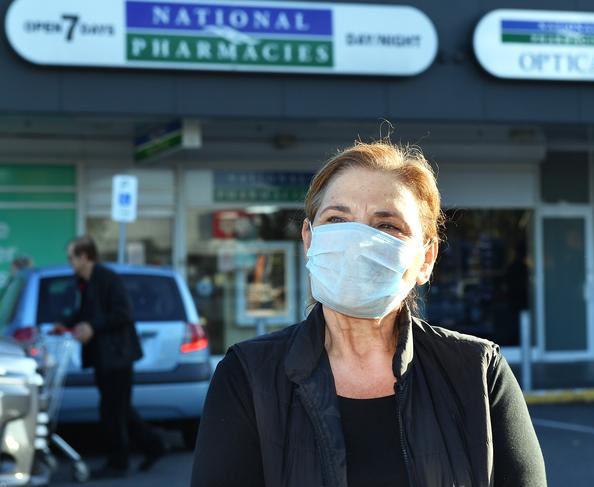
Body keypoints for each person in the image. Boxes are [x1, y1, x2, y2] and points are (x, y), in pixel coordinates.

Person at [191, 141, 546, 487]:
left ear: (426, 258)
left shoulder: (479, 374)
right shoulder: (248, 377)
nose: (358, 241)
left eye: (387, 226)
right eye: (337, 219)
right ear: (309, 241)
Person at [59, 236, 166, 479]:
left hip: (117, 356)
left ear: (85, 256)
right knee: (120, 409)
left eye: (72, 257)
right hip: (102, 357)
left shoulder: (108, 279)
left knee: (111, 411)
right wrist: (66, 324)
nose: (70, 262)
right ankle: (154, 446)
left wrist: (92, 328)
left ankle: (118, 463)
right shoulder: (84, 282)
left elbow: (123, 313)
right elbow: (85, 312)